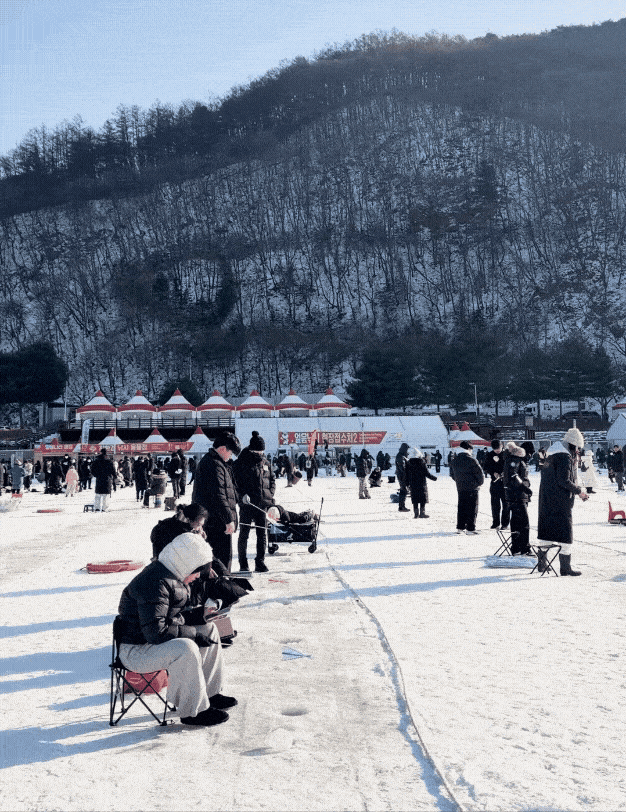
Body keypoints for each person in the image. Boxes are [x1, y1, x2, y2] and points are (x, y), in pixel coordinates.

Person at [116, 532, 236, 727]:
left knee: (209, 629)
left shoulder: (169, 575)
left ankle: (210, 693)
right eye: (197, 572)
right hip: (135, 651)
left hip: (151, 641)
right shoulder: (155, 583)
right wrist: (193, 634)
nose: (197, 577)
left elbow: (169, 618)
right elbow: (156, 632)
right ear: (187, 565)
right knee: (186, 648)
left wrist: (201, 615)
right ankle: (192, 711)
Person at [537, 427, 589, 576]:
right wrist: (579, 491)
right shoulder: (564, 457)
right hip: (560, 501)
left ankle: (542, 564)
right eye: (578, 447)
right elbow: (564, 480)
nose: (578, 451)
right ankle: (565, 567)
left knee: (547, 531)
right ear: (573, 445)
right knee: (566, 532)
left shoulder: (551, 454)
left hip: (546, 499)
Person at [192, 431, 241, 572]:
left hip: (216, 520)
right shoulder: (213, 465)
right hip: (216, 522)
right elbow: (218, 496)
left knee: (220, 560)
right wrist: (228, 519)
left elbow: (228, 491)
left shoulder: (219, 464)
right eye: (231, 452)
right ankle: (220, 587)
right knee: (220, 560)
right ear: (223, 449)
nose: (231, 456)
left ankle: (221, 584)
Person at [233, 431, 276, 574]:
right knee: (244, 534)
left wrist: (270, 495)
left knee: (262, 534)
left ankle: (260, 562)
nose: (260, 453)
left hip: (263, 505)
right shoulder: (240, 463)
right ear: (251, 449)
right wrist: (241, 496)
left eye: (262, 451)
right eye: (258, 451)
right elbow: (234, 483)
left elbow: (272, 480)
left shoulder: (266, 462)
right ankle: (243, 563)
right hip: (247, 505)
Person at [502, 442, 533, 555]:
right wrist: (525, 488)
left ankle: (516, 547)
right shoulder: (515, 461)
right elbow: (515, 476)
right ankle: (524, 548)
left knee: (515, 522)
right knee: (524, 523)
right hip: (518, 496)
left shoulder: (509, 460)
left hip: (512, 495)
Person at [450, 441, 485, 534]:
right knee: (472, 508)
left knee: (461, 507)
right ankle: (470, 528)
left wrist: (458, 480)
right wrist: (478, 483)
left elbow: (452, 474)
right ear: (469, 449)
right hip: (472, 488)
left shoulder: (454, 460)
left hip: (460, 487)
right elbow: (480, 475)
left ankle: (460, 527)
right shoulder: (472, 460)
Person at [482, 440, 510, 530]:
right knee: (495, 504)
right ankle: (495, 522)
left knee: (506, 504)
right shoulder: (489, 455)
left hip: (505, 483)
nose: (497, 450)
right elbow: (485, 467)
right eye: (495, 449)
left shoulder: (507, 454)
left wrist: (505, 473)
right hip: (495, 483)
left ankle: (505, 524)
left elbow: (510, 467)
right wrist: (493, 473)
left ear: (502, 446)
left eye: (498, 448)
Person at [405, 448, 437, 518]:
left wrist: (407, 483)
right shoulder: (421, 462)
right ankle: (422, 513)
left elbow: (406, 475)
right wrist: (434, 478)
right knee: (422, 498)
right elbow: (426, 473)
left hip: (412, 483)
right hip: (421, 483)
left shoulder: (408, 463)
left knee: (415, 498)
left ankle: (416, 514)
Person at [395, 442, 410, 512]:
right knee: (403, 490)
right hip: (401, 475)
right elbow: (402, 467)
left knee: (403, 490)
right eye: (406, 449)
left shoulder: (402, 455)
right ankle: (401, 507)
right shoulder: (399, 456)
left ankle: (401, 506)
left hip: (403, 475)